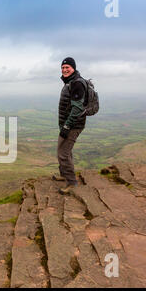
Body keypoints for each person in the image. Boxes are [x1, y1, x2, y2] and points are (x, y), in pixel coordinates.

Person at [53, 57, 87, 194]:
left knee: (63, 153)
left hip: (73, 125)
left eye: (67, 67)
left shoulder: (77, 83)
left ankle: (71, 182)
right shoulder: (70, 82)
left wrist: (67, 126)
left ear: (73, 68)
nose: (65, 70)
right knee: (65, 150)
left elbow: (78, 108)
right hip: (68, 124)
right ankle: (65, 175)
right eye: (63, 68)